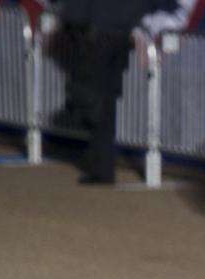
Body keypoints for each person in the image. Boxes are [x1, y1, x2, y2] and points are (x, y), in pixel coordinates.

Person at [60, 0, 152, 185]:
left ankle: (101, 167)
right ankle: (103, 166)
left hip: (96, 37)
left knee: (93, 100)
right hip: (121, 37)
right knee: (107, 102)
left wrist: (72, 23)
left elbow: (75, 11)